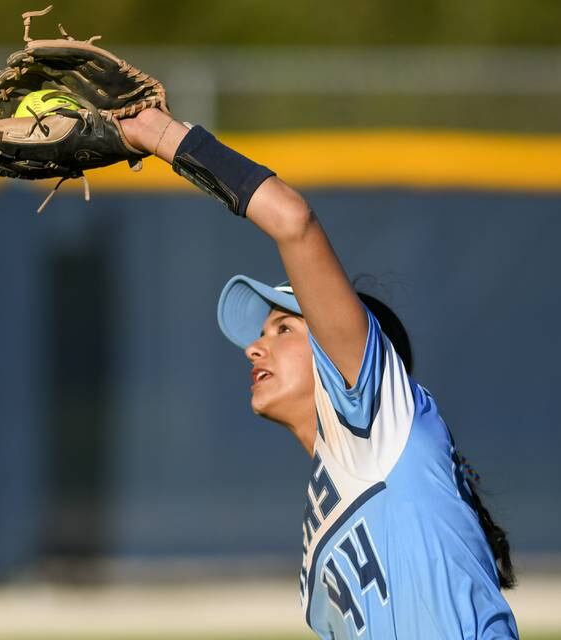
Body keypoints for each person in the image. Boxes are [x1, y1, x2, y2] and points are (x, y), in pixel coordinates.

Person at [119, 108, 519, 639]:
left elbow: (292, 220)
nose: (254, 350)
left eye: (282, 329)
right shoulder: (316, 537)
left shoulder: (376, 415)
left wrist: (159, 135)